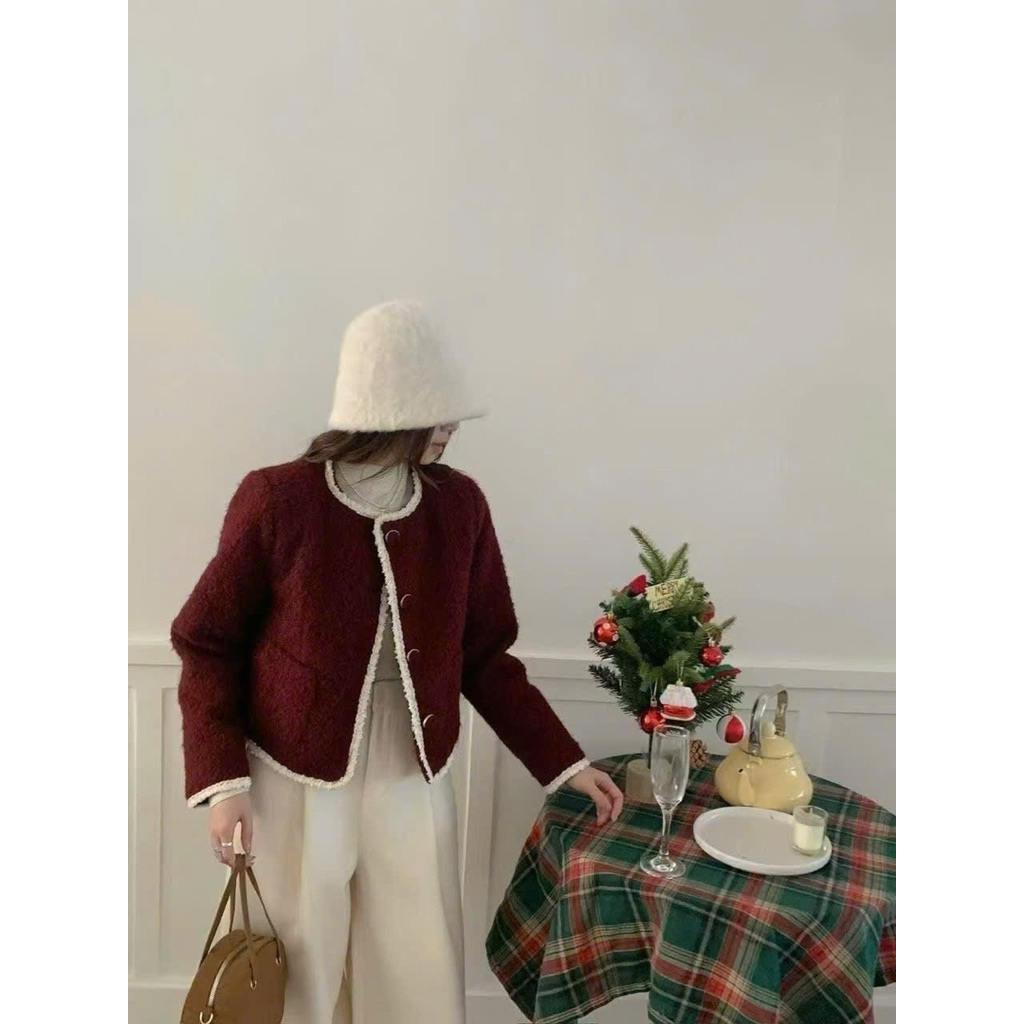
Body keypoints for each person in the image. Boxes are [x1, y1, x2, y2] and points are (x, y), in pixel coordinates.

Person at [172, 299, 624, 1024]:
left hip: (414, 764)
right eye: (436, 414)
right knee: (298, 958)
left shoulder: (460, 504)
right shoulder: (278, 499)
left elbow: (485, 655)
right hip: (295, 768)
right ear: (388, 408)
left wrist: (564, 765)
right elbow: (207, 641)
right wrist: (221, 783)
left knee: (416, 958)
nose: (450, 428)